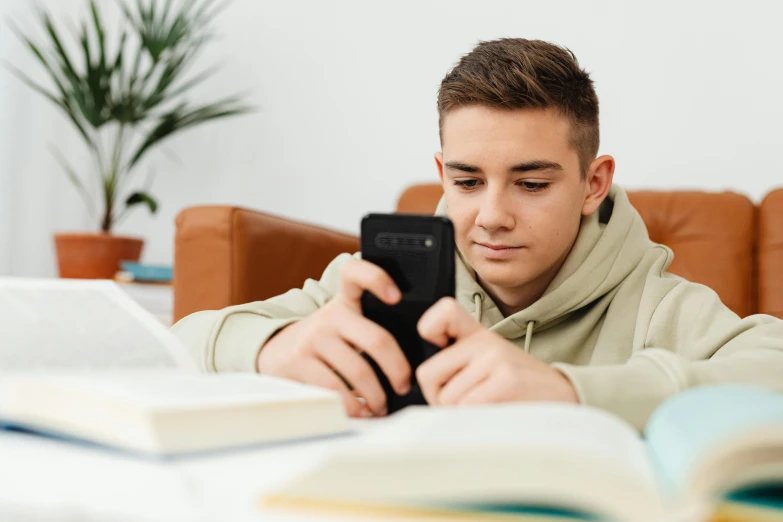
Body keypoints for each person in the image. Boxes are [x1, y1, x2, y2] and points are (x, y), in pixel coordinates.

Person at [172, 38, 783, 431]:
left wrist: (567, 392)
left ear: (593, 183)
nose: (491, 215)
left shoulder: (656, 302)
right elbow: (179, 343)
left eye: (532, 184)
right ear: (441, 174)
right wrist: (273, 347)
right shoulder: (379, 282)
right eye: (467, 182)